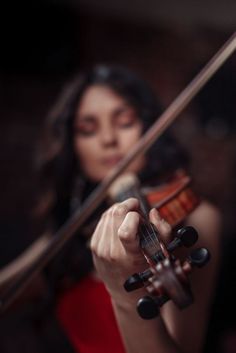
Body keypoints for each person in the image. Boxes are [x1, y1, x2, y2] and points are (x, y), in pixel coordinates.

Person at [34, 65, 221, 353]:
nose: (108, 139)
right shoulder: (76, 224)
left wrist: (125, 294)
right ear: (73, 146)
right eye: (88, 129)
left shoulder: (195, 216)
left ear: (149, 129)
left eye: (124, 122)